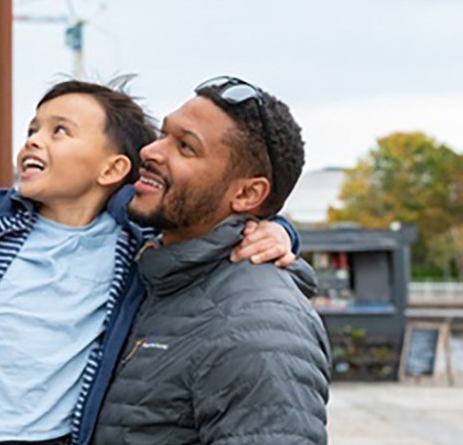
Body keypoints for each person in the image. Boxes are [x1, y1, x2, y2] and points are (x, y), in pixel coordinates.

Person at [0, 2, 301, 445]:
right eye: (33, 130)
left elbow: (210, 214)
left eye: (60, 131)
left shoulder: (133, 235)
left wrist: (279, 230)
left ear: (112, 170)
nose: (35, 142)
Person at [91, 76, 332, 445]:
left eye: (185, 147)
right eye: (164, 134)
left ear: (248, 193)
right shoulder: (153, 272)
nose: (152, 152)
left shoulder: (261, 326)